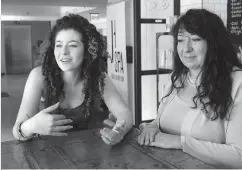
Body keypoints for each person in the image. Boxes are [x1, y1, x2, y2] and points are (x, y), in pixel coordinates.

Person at [137, 9, 242, 168]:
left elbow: (238, 156)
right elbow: (162, 120)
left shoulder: (237, 83)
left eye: (195, 39)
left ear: (215, 43)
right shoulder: (177, 78)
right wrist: (152, 126)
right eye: (180, 40)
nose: (186, 48)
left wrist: (181, 143)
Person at [12, 14, 133, 146]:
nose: (63, 52)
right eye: (58, 45)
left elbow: (124, 113)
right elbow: (17, 132)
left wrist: (119, 132)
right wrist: (31, 125)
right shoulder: (39, 76)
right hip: (51, 157)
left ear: (88, 49)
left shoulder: (99, 78)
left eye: (73, 45)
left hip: (94, 159)